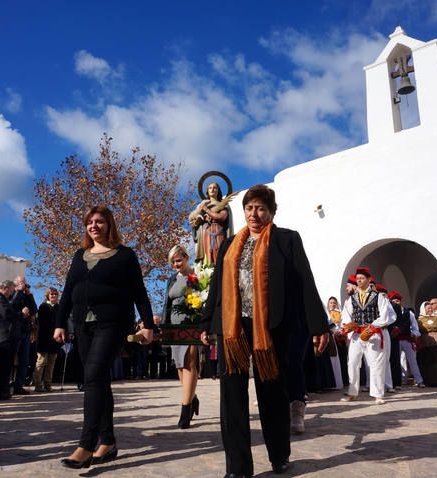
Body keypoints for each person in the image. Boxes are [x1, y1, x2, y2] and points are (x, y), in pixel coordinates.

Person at [199, 184, 329, 477]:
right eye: (249, 208)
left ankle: (279, 455)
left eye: (260, 208)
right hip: (232, 327)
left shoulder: (286, 240)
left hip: (272, 327)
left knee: (272, 393)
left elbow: (304, 281)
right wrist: (207, 322)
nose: (254, 214)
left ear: (271, 211)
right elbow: (217, 285)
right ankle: (237, 467)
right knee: (231, 397)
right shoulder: (231, 244)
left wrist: (319, 325)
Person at [53, 206, 154, 470]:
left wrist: (149, 325)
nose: (94, 226)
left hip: (113, 323)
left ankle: (86, 445)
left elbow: (139, 292)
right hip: (82, 326)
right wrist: (59, 323)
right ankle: (107, 442)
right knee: (97, 381)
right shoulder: (79, 255)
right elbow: (67, 292)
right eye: (89, 222)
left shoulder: (125, 255)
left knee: (94, 375)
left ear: (109, 225)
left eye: (99, 222)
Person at [340, 267, 395, 405]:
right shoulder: (352, 298)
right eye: (357, 278)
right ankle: (352, 392)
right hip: (357, 334)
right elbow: (346, 315)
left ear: (369, 280)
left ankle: (378, 394)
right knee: (352, 362)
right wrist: (349, 325)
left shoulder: (379, 297)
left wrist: (372, 327)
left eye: (362, 278)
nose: (359, 280)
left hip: (373, 333)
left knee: (376, 364)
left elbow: (385, 316)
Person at [161, 245, 200, 428]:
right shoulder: (171, 279)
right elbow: (166, 305)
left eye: (179, 260)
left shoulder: (193, 275)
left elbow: (200, 298)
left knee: (190, 362)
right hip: (173, 324)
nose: (176, 264)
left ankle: (185, 410)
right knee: (179, 365)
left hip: (190, 322)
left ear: (186, 257)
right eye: (173, 262)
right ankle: (193, 398)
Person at [0, 280, 25, 400]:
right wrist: (21, 314)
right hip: (5, 336)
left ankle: (2, 391)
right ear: (6, 288)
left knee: (5, 366)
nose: (13, 292)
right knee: (2, 366)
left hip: (6, 336)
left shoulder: (0, 299)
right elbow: (7, 314)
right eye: (12, 289)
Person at [189, 182, 231, 265]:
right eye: (210, 188)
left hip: (218, 230)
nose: (212, 189)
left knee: (219, 251)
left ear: (218, 190)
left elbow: (222, 217)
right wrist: (200, 215)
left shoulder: (222, 204)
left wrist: (206, 210)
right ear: (207, 191)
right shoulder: (203, 204)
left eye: (215, 188)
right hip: (206, 231)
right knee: (207, 253)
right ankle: (208, 271)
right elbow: (191, 218)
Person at [388, 292, 424, 387]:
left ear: (400, 301)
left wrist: (414, 334)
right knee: (398, 361)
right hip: (396, 340)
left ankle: (419, 381)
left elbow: (415, 326)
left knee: (412, 361)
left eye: (397, 301)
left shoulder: (409, 313)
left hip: (407, 339)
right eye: (394, 301)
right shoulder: (390, 314)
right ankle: (402, 380)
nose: (396, 302)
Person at [12, 275, 37, 395]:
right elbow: (12, 306)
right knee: (10, 359)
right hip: (14, 331)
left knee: (24, 360)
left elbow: (34, 310)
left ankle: (19, 386)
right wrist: (18, 292)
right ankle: (5, 384)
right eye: (22, 282)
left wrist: (30, 295)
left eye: (25, 282)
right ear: (16, 284)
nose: (24, 284)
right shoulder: (13, 293)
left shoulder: (27, 296)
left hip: (26, 331)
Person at [34, 287, 61, 392]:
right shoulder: (43, 306)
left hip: (55, 339)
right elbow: (42, 322)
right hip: (44, 338)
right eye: (52, 294)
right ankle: (37, 384)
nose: (54, 296)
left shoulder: (59, 307)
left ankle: (48, 384)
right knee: (41, 362)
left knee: (51, 363)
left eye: (55, 294)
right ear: (48, 295)